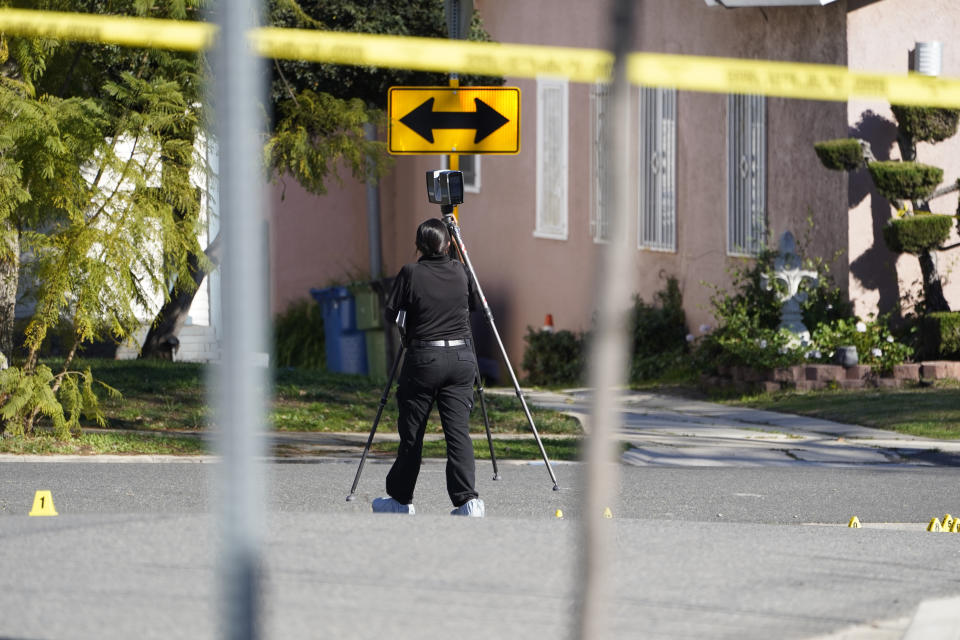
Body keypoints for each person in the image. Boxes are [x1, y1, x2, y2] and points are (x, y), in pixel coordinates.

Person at [372, 217, 485, 517]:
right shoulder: (462, 270)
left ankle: (399, 500)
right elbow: (476, 302)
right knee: (458, 433)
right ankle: (467, 502)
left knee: (413, 434)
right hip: (462, 360)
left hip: (423, 360)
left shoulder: (410, 273)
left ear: (418, 245)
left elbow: (390, 314)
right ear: (448, 244)